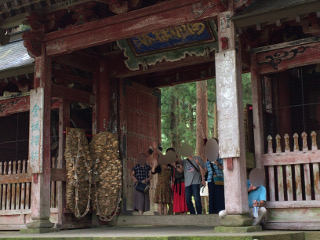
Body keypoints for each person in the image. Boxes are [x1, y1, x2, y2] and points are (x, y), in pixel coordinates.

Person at [167, 148, 188, 214]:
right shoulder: (169, 163)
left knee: (183, 200)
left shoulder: (179, 161)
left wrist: (175, 165)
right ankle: (178, 216)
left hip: (181, 183)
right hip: (175, 184)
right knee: (177, 202)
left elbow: (181, 171)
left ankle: (184, 215)